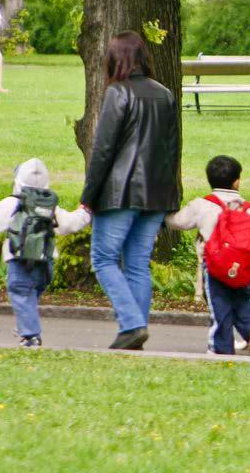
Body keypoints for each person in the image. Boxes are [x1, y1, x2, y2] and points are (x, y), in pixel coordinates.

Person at [81, 31, 181, 351]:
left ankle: (132, 324)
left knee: (103, 259)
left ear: (116, 58)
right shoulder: (165, 94)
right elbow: (173, 148)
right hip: (156, 193)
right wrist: (171, 197)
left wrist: (88, 196)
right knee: (137, 262)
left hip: (120, 192)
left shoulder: (117, 92)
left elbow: (103, 150)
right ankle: (135, 330)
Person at [0, 159, 89, 347]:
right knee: (31, 293)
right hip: (46, 262)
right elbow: (69, 224)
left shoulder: (12, 203)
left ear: (18, 180)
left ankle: (30, 336)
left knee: (20, 292)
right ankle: (26, 323)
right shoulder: (50, 205)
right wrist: (85, 213)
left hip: (20, 260)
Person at [165, 156, 250, 355]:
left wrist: (164, 216)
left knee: (219, 306)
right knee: (241, 301)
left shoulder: (201, 206)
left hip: (214, 268)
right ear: (237, 181)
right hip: (242, 268)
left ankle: (220, 348)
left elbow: (177, 222)